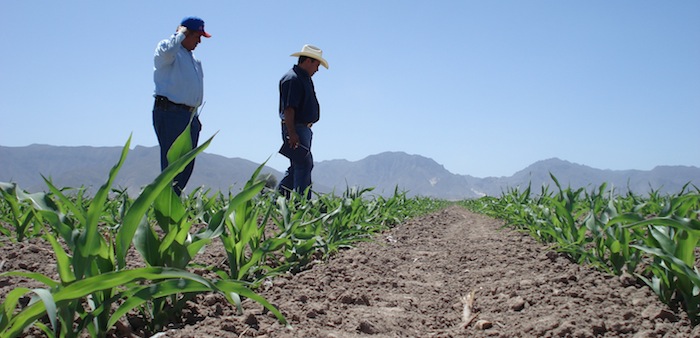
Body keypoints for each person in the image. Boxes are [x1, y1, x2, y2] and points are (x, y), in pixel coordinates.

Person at [152, 16, 211, 196]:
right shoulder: (168, 52)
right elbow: (169, 50)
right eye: (197, 36)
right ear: (185, 34)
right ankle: (166, 202)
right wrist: (180, 33)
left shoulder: (192, 59)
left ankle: (174, 198)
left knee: (186, 163)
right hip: (170, 112)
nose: (199, 41)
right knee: (173, 163)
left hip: (189, 115)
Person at [277, 45, 329, 199]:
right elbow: (289, 109)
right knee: (304, 164)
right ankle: (301, 203)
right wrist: (292, 133)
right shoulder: (292, 79)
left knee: (297, 167)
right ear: (307, 61)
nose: (317, 70)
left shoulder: (302, 78)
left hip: (302, 128)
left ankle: (277, 200)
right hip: (296, 128)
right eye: (316, 65)